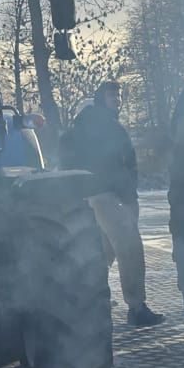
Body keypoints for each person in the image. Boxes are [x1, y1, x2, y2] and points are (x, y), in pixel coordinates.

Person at [62, 81, 163, 327]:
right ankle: (136, 307)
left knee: (103, 251)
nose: (117, 100)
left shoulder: (100, 125)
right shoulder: (99, 126)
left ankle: (90, 300)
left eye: (118, 96)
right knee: (130, 246)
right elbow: (117, 163)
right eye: (111, 96)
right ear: (100, 98)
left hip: (109, 194)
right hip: (106, 194)